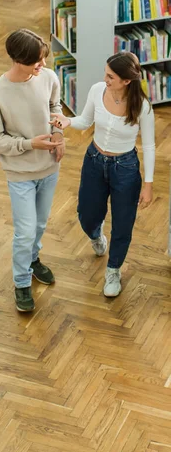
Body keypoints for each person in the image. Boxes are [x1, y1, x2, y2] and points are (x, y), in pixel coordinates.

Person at [49, 51, 155, 298]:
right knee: (86, 214)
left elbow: (149, 146)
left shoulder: (142, 107)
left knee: (123, 224)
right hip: (94, 161)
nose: (105, 79)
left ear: (126, 81)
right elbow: (85, 121)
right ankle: (97, 236)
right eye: (106, 73)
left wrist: (148, 184)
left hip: (126, 169)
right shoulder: (98, 90)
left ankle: (113, 269)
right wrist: (67, 122)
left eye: (111, 76)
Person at [0, 28, 65, 313]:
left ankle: (33, 260)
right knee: (25, 230)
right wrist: (30, 144)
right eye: (36, 62)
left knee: (40, 225)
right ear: (18, 60)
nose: (42, 66)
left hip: (49, 168)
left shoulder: (49, 77)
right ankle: (21, 283)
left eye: (43, 59)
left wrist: (59, 135)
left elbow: (54, 106)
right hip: (20, 175)